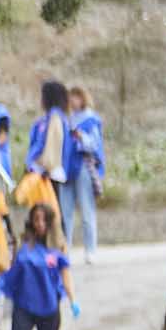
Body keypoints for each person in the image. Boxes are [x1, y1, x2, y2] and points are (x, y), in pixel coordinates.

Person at [0, 201, 76, 330]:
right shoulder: (24, 244)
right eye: (36, 219)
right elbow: (12, 271)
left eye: (44, 220)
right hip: (24, 306)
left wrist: (73, 300)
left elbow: (66, 275)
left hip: (49, 308)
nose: (40, 224)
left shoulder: (57, 248)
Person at [64, 85, 106, 261]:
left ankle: (90, 250)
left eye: (76, 97)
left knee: (87, 210)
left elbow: (95, 145)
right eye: (70, 97)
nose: (72, 101)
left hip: (83, 166)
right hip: (67, 168)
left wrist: (81, 137)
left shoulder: (91, 120)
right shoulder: (67, 119)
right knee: (66, 212)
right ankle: (65, 248)